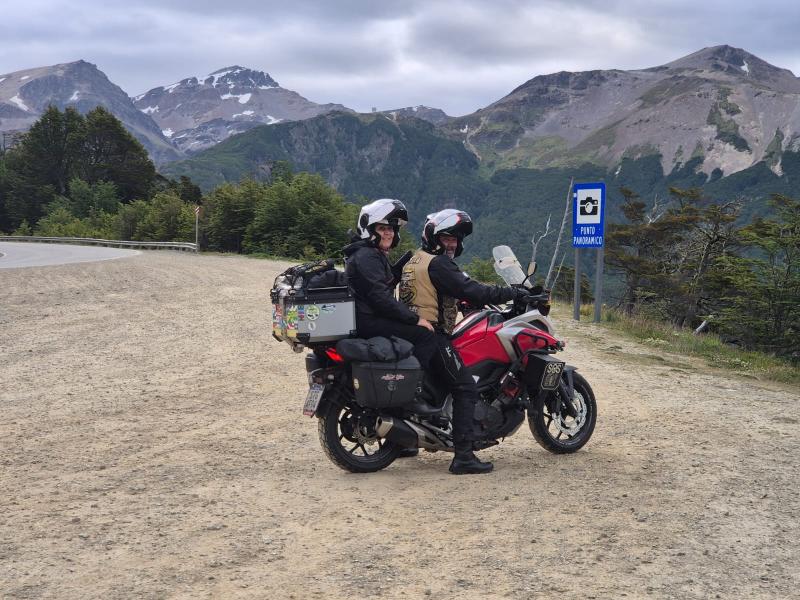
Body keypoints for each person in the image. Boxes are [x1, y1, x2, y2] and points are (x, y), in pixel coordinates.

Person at [399, 208, 528, 474]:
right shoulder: (439, 263)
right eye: (447, 238)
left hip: (408, 330)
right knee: (465, 388)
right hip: (431, 335)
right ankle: (464, 456)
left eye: (456, 240)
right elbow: (470, 289)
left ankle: (404, 442)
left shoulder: (416, 259)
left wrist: (466, 301)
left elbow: (444, 290)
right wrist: (512, 292)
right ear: (433, 236)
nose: (452, 244)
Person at [343, 199, 438, 459]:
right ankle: (414, 395)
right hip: (369, 320)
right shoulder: (366, 256)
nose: (389, 233)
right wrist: (414, 319)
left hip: (364, 316)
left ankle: (405, 438)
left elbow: (378, 285)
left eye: (392, 229)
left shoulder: (365, 254)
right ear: (369, 229)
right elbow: (380, 298)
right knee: (425, 337)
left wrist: (399, 268)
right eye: (383, 228)